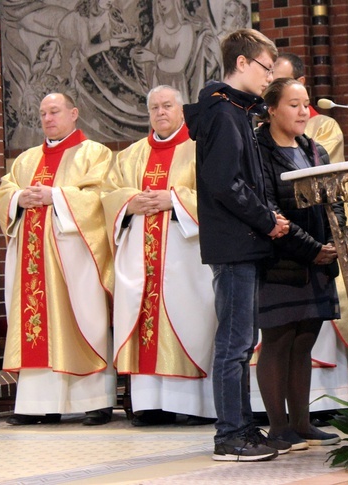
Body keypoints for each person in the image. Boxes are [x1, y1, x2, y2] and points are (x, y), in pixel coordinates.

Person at [184, 28, 291, 462]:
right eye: (266, 67)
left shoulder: (235, 110)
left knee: (242, 340)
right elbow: (224, 182)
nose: (270, 77)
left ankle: (244, 426)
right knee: (234, 342)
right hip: (234, 243)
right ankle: (230, 435)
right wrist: (267, 220)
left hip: (241, 240)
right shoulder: (224, 112)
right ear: (242, 63)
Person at [0, 93, 116, 426]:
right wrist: (20, 197)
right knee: (37, 324)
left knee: (82, 320)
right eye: (43, 112)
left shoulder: (95, 154)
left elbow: (101, 196)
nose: (48, 118)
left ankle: (95, 401)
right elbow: (3, 192)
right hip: (32, 261)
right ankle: (39, 404)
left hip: (74, 259)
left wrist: (57, 196)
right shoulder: (26, 160)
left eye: (55, 111)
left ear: (74, 113)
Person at [101, 85, 217, 426]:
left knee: (189, 321)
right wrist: (128, 203)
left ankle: (194, 405)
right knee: (144, 323)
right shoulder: (130, 155)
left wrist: (176, 201)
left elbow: (215, 193)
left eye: (167, 106)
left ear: (182, 110)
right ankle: (149, 404)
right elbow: (108, 194)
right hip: (141, 261)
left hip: (186, 258)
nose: (160, 113)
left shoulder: (199, 149)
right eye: (154, 107)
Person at [254, 78, 344, 450]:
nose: (303, 112)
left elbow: (333, 199)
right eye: (294, 105)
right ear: (272, 109)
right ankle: (278, 428)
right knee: (278, 340)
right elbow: (267, 208)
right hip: (280, 260)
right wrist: (311, 249)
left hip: (318, 260)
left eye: (306, 104)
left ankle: (302, 423)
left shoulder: (316, 150)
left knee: (304, 340)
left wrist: (336, 239)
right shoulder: (258, 152)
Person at [272, 52, 344, 164]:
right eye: (269, 82)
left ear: (300, 82)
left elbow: (317, 171)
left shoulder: (324, 126)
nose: (272, 90)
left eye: (279, 83)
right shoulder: (256, 124)